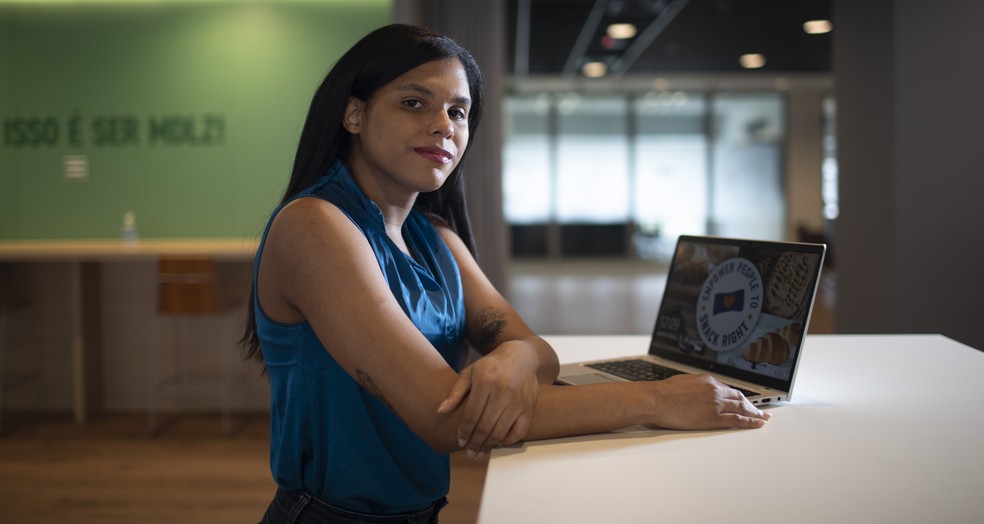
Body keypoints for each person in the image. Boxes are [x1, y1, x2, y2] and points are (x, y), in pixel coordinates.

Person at [242, 23, 771, 523]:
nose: (442, 126)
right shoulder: (314, 226)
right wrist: (658, 399)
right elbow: (443, 418)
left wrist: (513, 356)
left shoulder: (434, 235)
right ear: (353, 115)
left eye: (458, 111)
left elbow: (539, 353)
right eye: (413, 103)